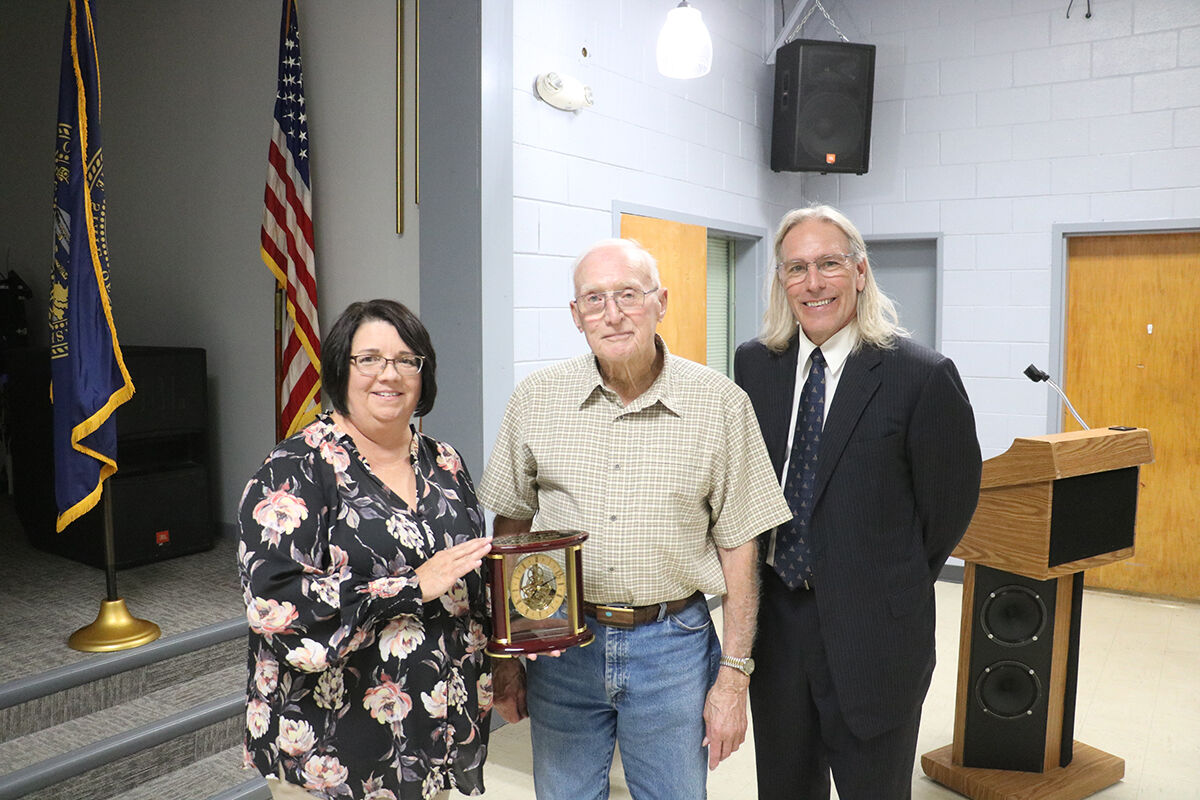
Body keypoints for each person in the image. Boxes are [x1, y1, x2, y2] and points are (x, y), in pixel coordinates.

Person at [479, 238, 793, 799]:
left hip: (673, 645)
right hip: (561, 647)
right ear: (576, 316)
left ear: (661, 302)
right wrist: (506, 657)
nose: (613, 313)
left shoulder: (720, 404)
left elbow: (740, 545)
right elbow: (510, 528)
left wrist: (734, 674)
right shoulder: (535, 400)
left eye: (628, 294)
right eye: (594, 299)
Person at [733, 205, 982, 799]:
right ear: (781, 281)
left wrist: (878, 576)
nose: (813, 283)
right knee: (785, 786)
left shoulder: (921, 375)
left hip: (876, 631)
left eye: (829, 264)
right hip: (778, 624)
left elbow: (948, 508)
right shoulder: (754, 365)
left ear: (861, 272)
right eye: (796, 268)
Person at [238, 299, 494, 800]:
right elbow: (276, 604)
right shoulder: (296, 467)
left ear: (423, 373)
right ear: (341, 368)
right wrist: (411, 587)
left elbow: (467, 577)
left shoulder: (445, 462)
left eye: (406, 360)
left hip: (434, 731)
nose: (389, 374)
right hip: (335, 747)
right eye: (369, 358)